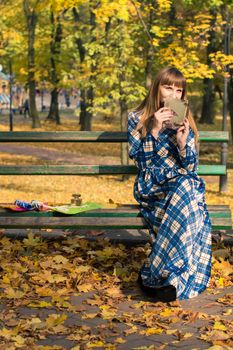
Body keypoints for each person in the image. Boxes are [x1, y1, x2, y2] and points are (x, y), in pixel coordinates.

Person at [128, 67, 212, 301]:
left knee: (187, 187)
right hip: (153, 187)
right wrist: (153, 130)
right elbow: (141, 164)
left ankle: (170, 280)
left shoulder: (185, 120)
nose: (174, 95)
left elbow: (191, 169)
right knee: (190, 200)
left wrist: (184, 143)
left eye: (179, 90)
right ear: (157, 88)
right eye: (168, 87)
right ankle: (160, 276)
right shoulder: (138, 118)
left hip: (180, 185)